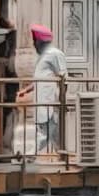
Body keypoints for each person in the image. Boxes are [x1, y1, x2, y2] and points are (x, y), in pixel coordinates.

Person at [29, 22, 69, 156]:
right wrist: (28, 90)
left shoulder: (55, 54)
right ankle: (64, 157)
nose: (34, 44)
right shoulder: (43, 56)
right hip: (42, 101)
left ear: (41, 41)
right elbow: (40, 77)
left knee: (44, 133)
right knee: (54, 134)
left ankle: (29, 156)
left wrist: (62, 99)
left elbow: (64, 78)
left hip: (50, 101)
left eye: (35, 41)